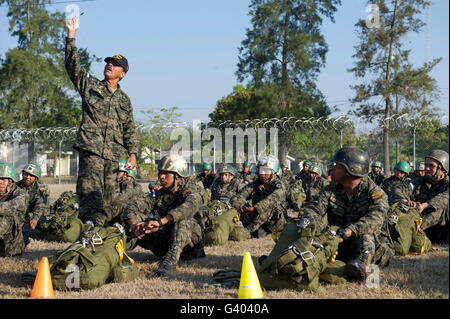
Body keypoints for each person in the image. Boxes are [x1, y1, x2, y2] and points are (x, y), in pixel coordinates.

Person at [65, 17, 138, 226]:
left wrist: (132, 153)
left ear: (122, 74)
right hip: (92, 150)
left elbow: (129, 128)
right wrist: (72, 35)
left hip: (113, 156)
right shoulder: (90, 86)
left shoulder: (124, 100)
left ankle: (106, 233)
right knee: (89, 195)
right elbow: (72, 66)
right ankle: (88, 233)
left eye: (115, 65)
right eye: (108, 62)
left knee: (111, 198)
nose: (109, 65)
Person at [300, 147, 392, 282]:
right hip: (339, 242)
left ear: (352, 170)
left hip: (374, 247)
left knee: (366, 234)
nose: (332, 169)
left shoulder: (375, 193)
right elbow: (313, 209)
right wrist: (323, 231)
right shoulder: (331, 189)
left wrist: (348, 232)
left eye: (337, 166)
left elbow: (375, 219)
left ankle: (363, 264)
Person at [121, 155, 205, 277]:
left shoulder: (191, 190)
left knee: (181, 218)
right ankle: (116, 251)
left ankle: (171, 262)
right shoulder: (160, 193)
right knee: (137, 220)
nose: (161, 176)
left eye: (166, 173)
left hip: (190, 248)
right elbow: (133, 206)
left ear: (177, 175)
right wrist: (134, 224)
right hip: (165, 244)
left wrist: (161, 222)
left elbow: (189, 206)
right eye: (160, 172)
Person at [395, 149, 449, 243]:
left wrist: (425, 205)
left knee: (442, 207)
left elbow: (445, 197)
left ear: (443, 169)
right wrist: (404, 201)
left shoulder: (447, 184)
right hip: (424, 232)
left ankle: (410, 229)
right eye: (426, 165)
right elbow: (398, 189)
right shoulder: (417, 182)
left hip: (443, 232)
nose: (427, 168)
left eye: (431, 166)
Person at [230, 155, 288, 238]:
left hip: (274, 222)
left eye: (266, 171)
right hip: (257, 218)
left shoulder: (279, 186)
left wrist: (255, 208)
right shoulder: (256, 184)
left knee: (267, 208)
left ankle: (250, 231)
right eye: (261, 170)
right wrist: (241, 206)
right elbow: (238, 196)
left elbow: (271, 200)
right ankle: (255, 231)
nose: (262, 174)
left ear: (273, 172)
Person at [204, 164, 246, 245]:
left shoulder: (237, 183)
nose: (223, 177)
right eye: (222, 175)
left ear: (231, 176)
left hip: (229, 209)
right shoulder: (216, 183)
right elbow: (212, 197)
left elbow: (243, 197)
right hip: (216, 206)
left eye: (226, 175)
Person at [15, 163, 50, 247]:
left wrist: (35, 219)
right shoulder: (16, 186)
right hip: (24, 211)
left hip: (40, 212)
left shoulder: (41, 188)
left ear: (36, 178)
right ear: (22, 174)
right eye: (26, 174)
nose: (27, 177)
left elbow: (40, 205)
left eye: (31, 175)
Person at [0, 162, 29, 257]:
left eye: (3, 179)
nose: (0, 182)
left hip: (12, 245)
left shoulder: (21, 194)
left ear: (11, 181)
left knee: (6, 216)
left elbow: (8, 207)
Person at [107, 159, 144, 226]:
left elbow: (122, 198)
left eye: (119, 172)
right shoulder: (117, 184)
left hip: (130, 217)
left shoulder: (132, 186)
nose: (116, 174)